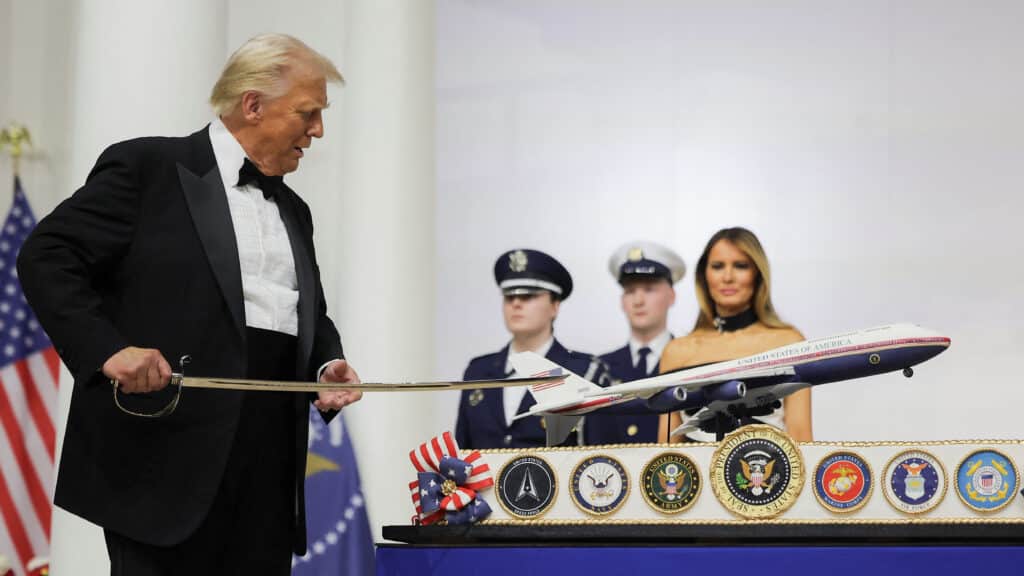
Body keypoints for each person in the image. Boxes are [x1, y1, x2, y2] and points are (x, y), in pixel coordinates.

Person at [16, 34, 362, 575]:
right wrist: (106, 350)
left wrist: (325, 362)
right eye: (308, 112)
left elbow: (305, 311)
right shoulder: (147, 168)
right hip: (163, 468)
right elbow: (47, 255)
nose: (317, 130)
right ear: (253, 105)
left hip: (267, 474)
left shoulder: (295, 209)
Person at [658, 227, 812, 442]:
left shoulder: (788, 342)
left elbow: (801, 439)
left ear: (757, 274)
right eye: (718, 266)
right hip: (695, 474)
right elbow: (667, 450)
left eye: (740, 266)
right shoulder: (676, 352)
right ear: (704, 275)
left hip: (765, 472)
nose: (728, 277)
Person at [455, 249, 611, 449]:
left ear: (555, 305)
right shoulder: (478, 371)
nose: (516, 303)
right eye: (509, 297)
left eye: (528, 296)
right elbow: (462, 453)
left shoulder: (584, 371)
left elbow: (602, 457)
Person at [584, 241, 685, 445]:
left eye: (649, 289)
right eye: (630, 291)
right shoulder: (600, 369)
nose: (638, 300)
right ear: (622, 301)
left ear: (672, 296)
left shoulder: (688, 361)